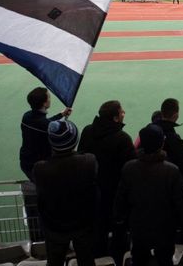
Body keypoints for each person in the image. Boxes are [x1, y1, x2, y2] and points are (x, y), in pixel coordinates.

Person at [114, 124, 183, 266]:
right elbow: (181, 201)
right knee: (165, 261)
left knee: (139, 260)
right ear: (162, 143)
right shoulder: (171, 171)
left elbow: (121, 199)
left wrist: (119, 218)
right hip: (165, 229)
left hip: (138, 228)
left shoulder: (129, 168)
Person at [34, 120, 98, 266]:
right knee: (87, 261)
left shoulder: (40, 169)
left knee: (55, 262)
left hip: (54, 226)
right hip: (83, 223)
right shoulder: (89, 161)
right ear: (74, 140)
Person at [77, 100, 136, 260]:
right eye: (121, 111)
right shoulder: (123, 138)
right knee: (119, 234)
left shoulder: (88, 131)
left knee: (97, 234)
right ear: (116, 118)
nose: (124, 113)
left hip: (91, 194)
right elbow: (131, 168)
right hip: (115, 196)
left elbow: (80, 157)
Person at [20, 87, 72, 181]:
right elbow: (47, 124)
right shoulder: (46, 126)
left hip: (25, 162)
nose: (50, 99)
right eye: (48, 97)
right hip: (39, 167)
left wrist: (61, 114)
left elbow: (44, 122)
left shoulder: (26, 116)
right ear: (44, 103)